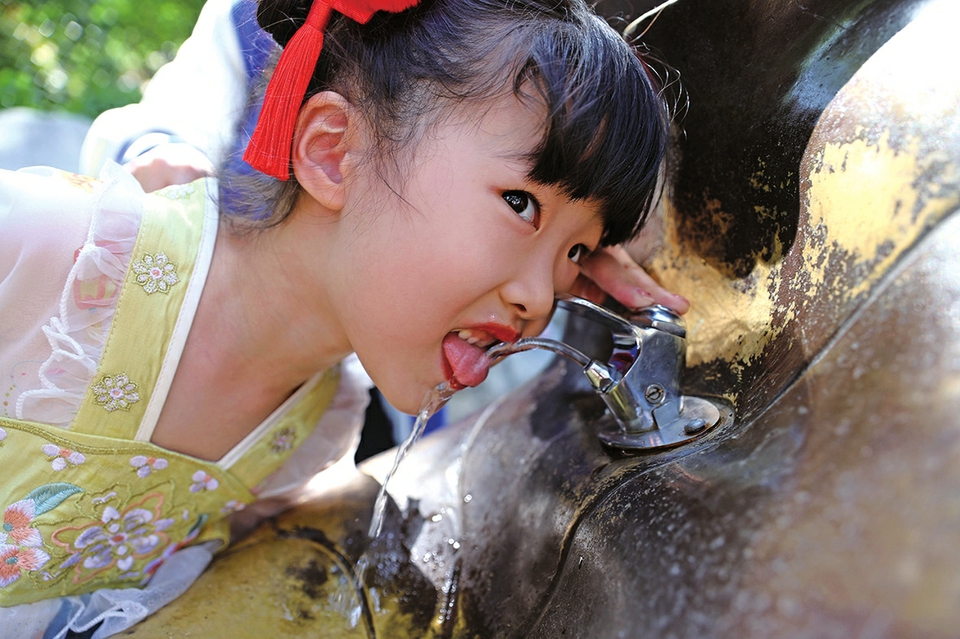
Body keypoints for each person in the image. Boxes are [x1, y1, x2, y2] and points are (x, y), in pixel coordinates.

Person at [0, 0, 688, 635]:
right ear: (332, 150)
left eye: (577, 251)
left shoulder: (318, 426)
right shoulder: (40, 247)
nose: (541, 299)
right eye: (520, 203)